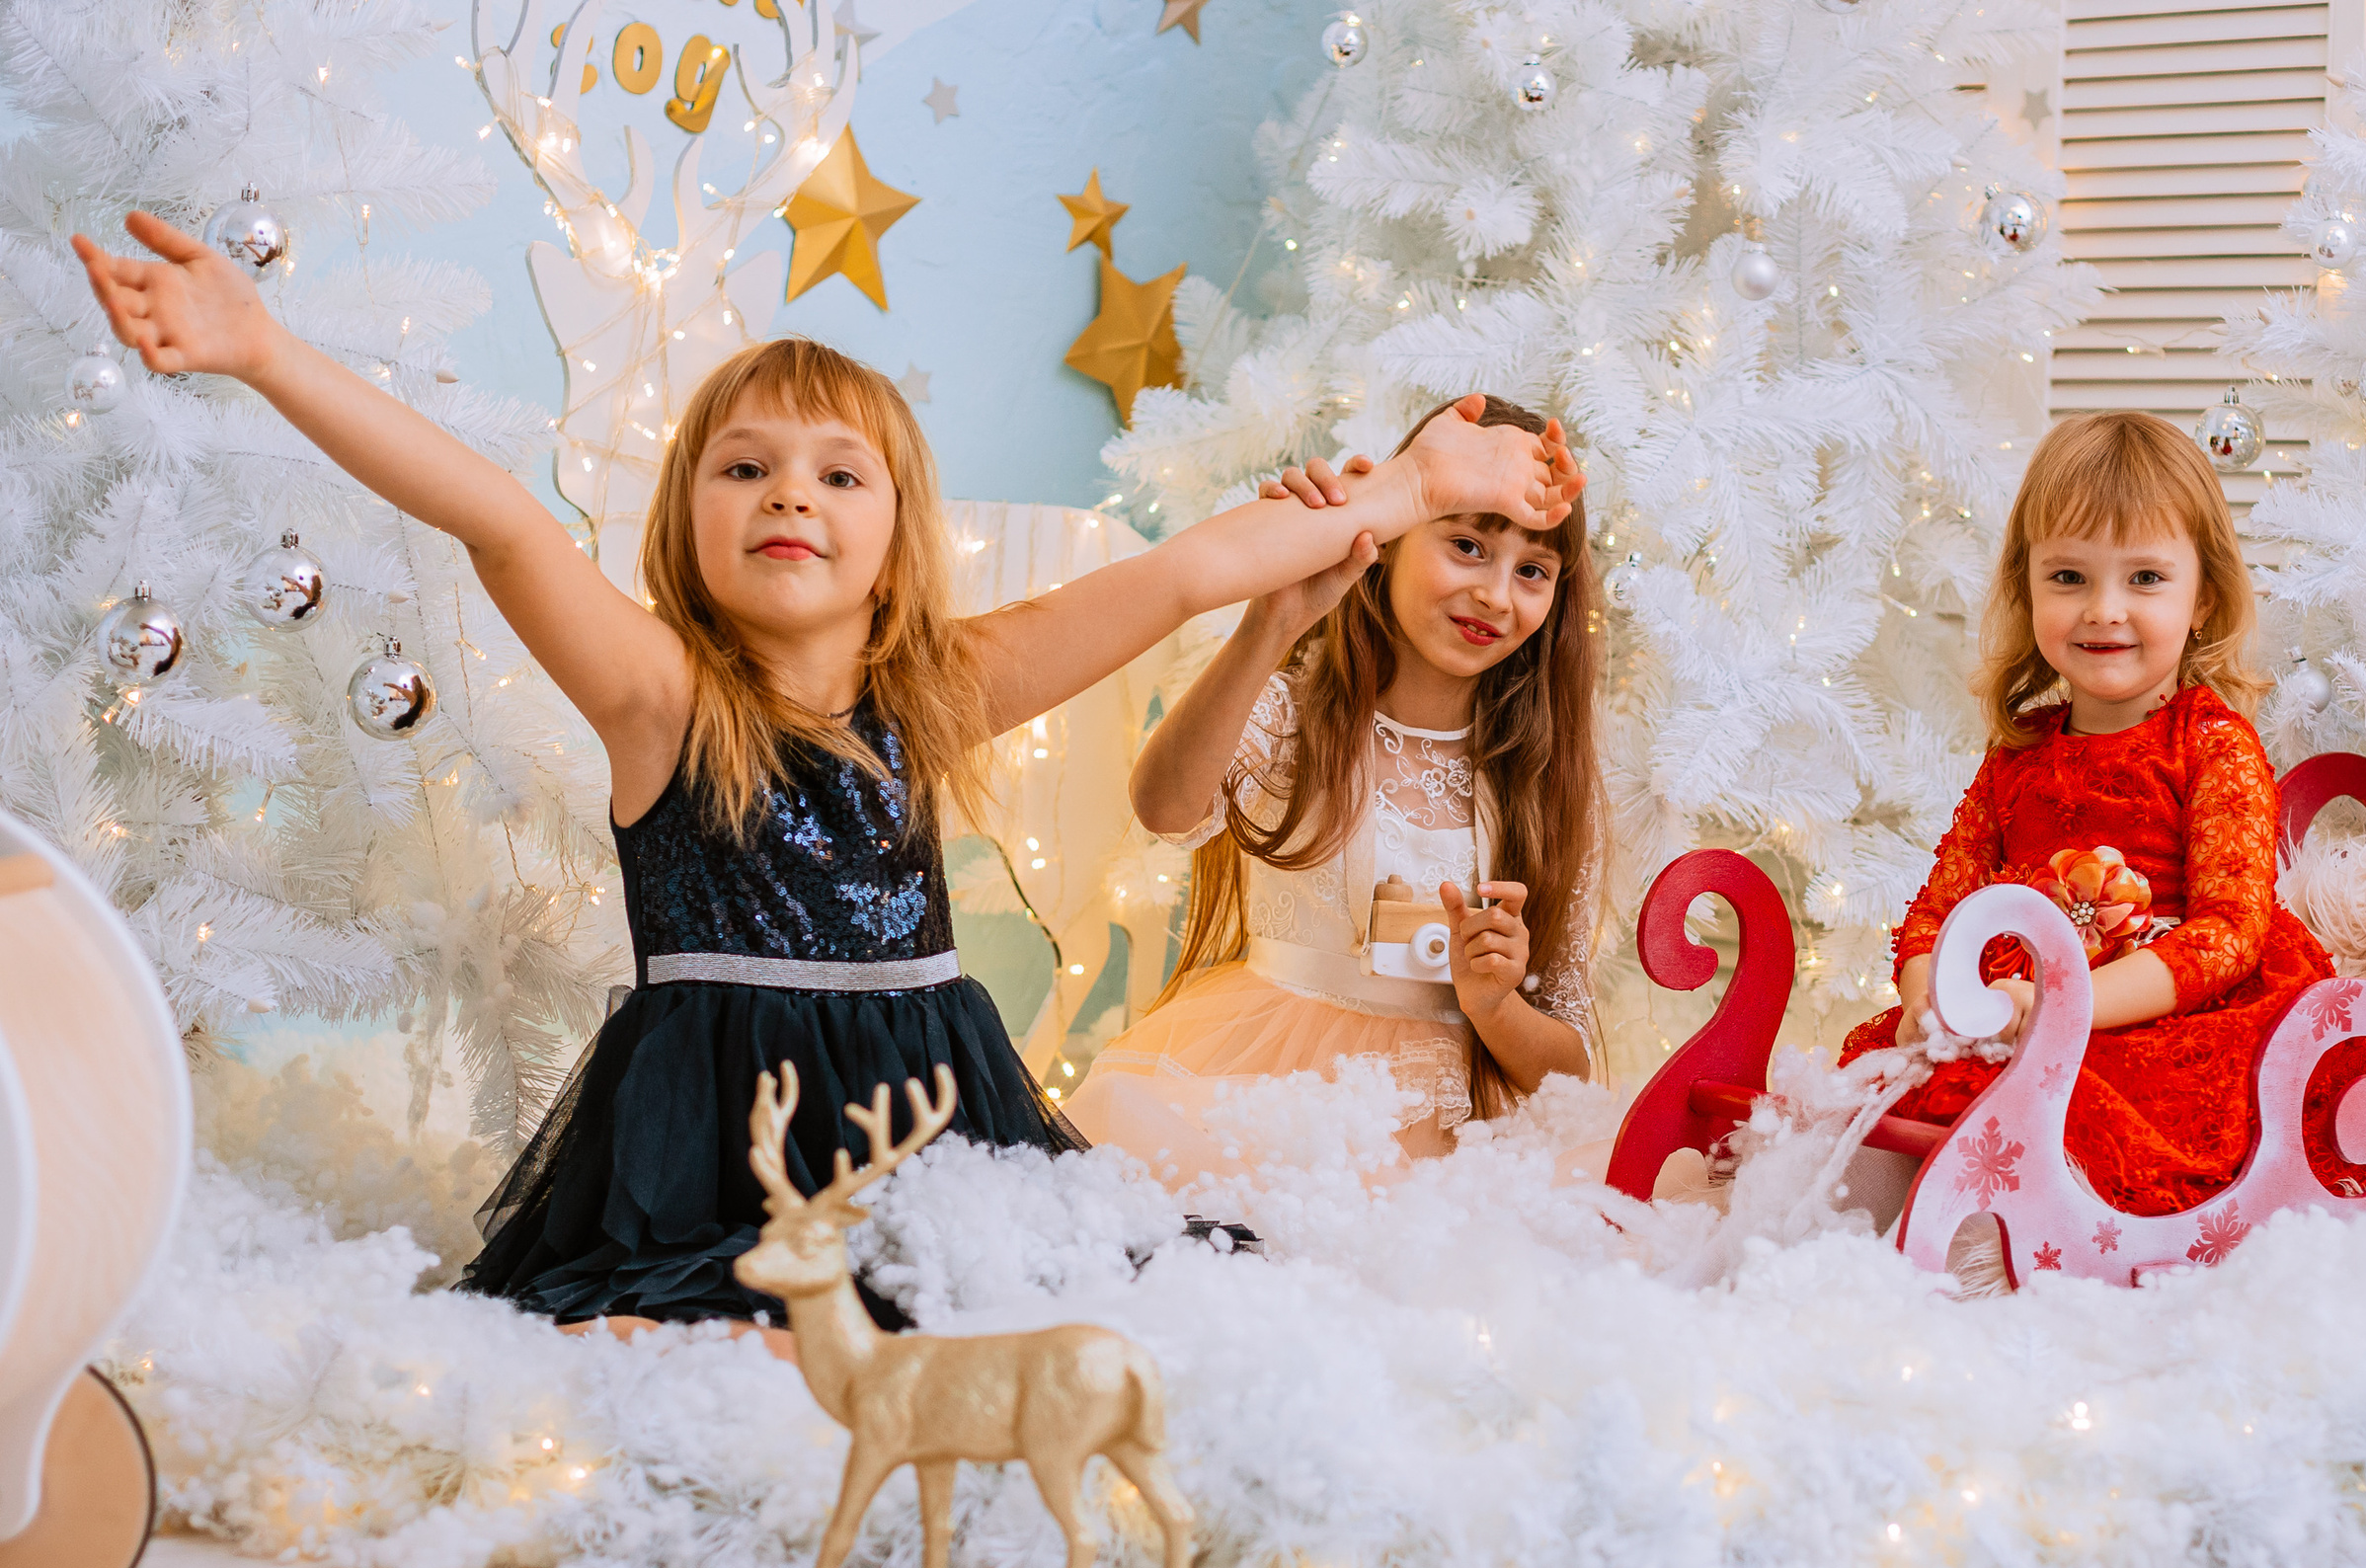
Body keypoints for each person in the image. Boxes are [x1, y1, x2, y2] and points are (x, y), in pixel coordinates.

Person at [74, 213, 1584, 1333]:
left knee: (1075, 1316)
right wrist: (264, 350)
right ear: (691, 519)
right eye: (746, 466)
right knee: (689, 1341)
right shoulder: (660, 694)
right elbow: (502, 523)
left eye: (837, 472)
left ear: (893, 535)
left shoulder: (940, 690)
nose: (790, 488)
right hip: (722, 1131)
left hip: (934, 1113)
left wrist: (1411, 490)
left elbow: (1194, 571)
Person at [1840, 411, 2366, 1215]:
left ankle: (2044, 1230)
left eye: (2146, 578)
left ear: (2204, 598)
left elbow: (2230, 932)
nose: (2103, 609)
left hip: (2163, 1017)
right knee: (1884, 1093)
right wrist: (1929, 996)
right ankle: (1930, 1220)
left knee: (2101, 1109)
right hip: (2016, 1013)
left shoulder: (2211, 744)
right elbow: (1936, 912)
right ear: (2028, 586)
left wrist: (2065, 1003)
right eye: (2069, 577)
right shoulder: (2018, 753)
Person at [1063, 398, 1604, 1187]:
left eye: (1532, 571)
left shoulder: (1542, 779)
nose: (1495, 593)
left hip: (1464, 1145)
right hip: (1276, 1103)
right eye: (1466, 546)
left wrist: (1493, 1004)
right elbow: (1165, 804)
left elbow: (1568, 1068)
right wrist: (1269, 621)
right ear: (1386, 541)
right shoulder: (1295, 715)